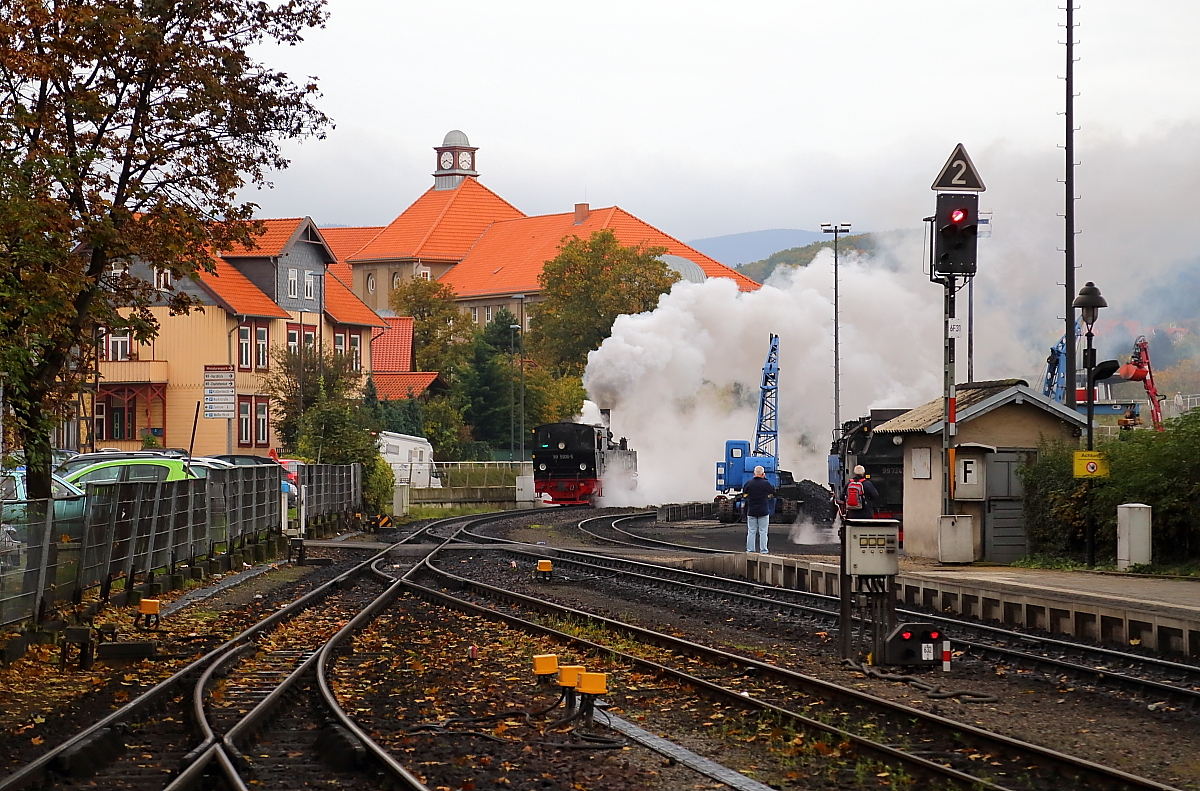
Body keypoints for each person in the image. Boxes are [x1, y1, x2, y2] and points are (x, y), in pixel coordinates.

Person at [743, 465, 775, 554]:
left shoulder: (748, 483)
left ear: (754, 474)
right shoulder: (766, 484)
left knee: (751, 531)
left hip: (751, 511)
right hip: (763, 511)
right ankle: (764, 550)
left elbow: (744, 493)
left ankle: (750, 551)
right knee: (763, 531)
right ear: (763, 474)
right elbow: (773, 491)